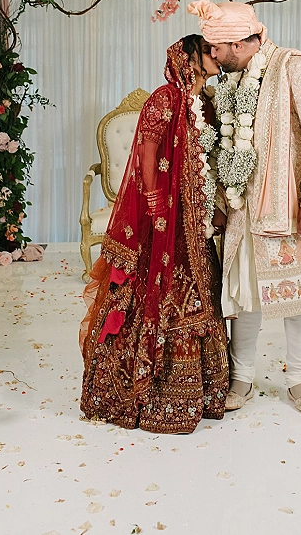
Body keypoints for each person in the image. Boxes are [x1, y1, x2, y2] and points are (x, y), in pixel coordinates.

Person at [188, 0, 301, 415]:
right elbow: (225, 145)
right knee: (241, 296)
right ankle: (241, 377)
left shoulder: (295, 67)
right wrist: (221, 202)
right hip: (244, 212)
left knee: (300, 295)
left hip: (291, 208)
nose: (212, 55)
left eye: (215, 48)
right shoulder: (232, 79)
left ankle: (299, 380)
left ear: (238, 44)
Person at [80, 35, 229, 434]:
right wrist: (154, 201)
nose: (216, 57)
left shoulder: (207, 102)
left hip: (195, 216)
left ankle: (200, 388)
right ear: (190, 59)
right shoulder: (164, 98)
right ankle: (152, 388)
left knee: (202, 288)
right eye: (208, 52)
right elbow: (146, 148)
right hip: (165, 220)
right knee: (164, 292)